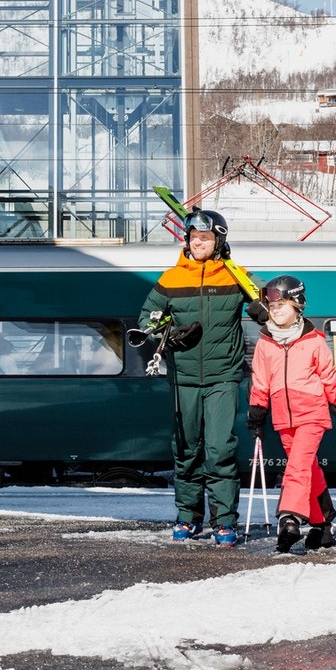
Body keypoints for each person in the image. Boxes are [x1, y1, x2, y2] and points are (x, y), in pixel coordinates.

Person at [138, 208, 252, 546]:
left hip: (222, 377)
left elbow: (270, 305)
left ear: (218, 241)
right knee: (186, 448)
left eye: (204, 238)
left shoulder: (234, 276)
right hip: (183, 377)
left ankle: (224, 521)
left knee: (219, 450)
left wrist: (263, 309)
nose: (197, 242)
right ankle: (188, 516)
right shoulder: (172, 279)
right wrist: (166, 335)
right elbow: (148, 316)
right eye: (192, 237)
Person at [246, 275, 336, 553]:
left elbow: (329, 378)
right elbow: (260, 383)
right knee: (309, 469)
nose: (276, 310)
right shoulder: (264, 344)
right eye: (272, 306)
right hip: (283, 418)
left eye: (282, 304)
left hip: (312, 414)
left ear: (297, 306)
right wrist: (257, 417)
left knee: (295, 468)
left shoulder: (314, 341)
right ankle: (322, 526)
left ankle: (289, 518)